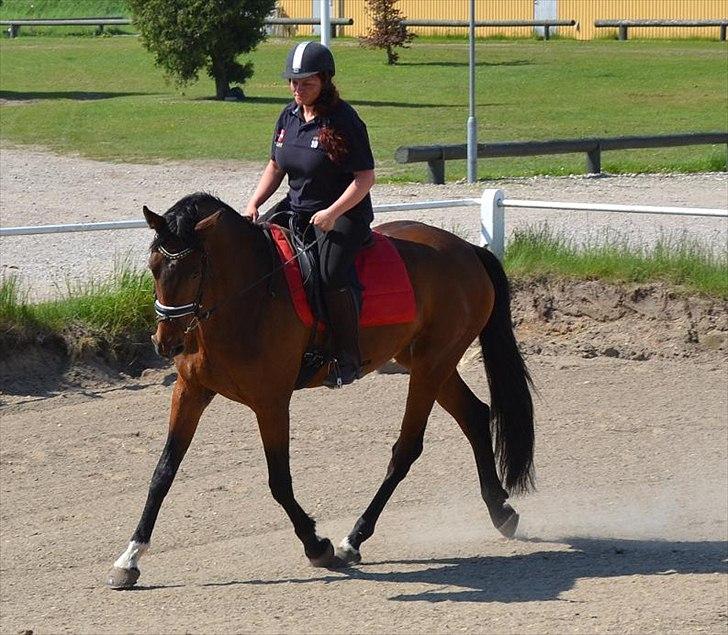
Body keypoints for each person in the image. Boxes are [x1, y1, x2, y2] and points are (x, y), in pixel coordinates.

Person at [244, 41, 376, 388]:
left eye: (306, 83)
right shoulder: (289, 116)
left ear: (325, 80)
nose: (297, 89)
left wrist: (333, 213)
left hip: (344, 213)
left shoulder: (344, 120)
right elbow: (275, 165)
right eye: (292, 82)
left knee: (331, 273)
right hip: (298, 209)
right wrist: (254, 202)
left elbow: (365, 179)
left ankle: (347, 356)